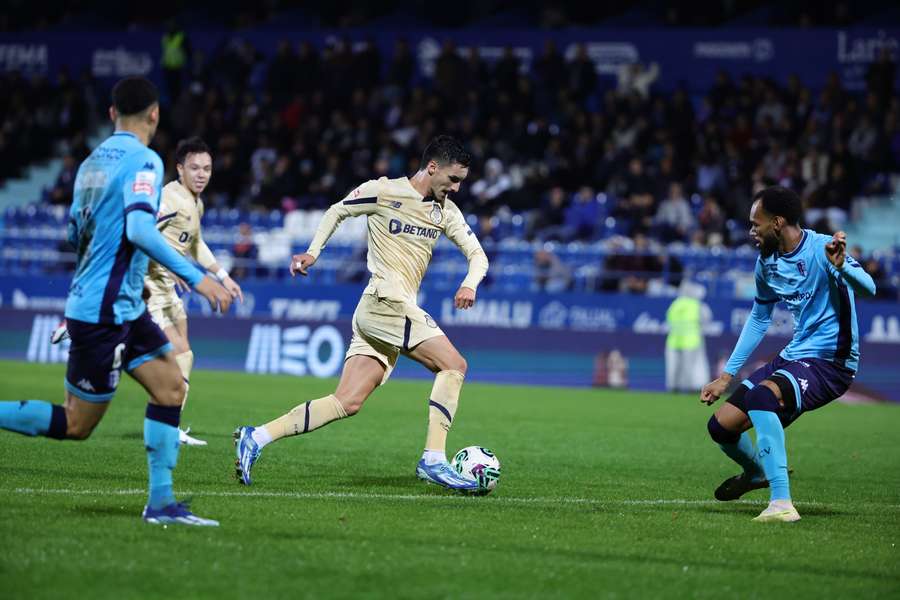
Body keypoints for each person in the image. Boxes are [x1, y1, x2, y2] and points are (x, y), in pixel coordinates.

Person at [0, 77, 232, 525]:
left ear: (111, 114)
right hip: (104, 312)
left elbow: (74, 233)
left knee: (170, 387)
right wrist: (198, 278)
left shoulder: (89, 165)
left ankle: (161, 504)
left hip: (123, 306)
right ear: (155, 114)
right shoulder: (145, 160)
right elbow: (140, 230)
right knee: (76, 424)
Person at [234, 136, 489, 492]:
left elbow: (478, 256)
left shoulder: (445, 211)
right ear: (433, 168)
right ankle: (433, 459)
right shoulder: (384, 192)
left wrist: (470, 284)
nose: (457, 188)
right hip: (385, 302)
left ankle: (256, 437)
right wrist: (312, 253)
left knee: (347, 401)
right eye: (453, 179)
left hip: (380, 312)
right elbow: (337, 210)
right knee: (454, 365)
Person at [700, 186, 876, 523]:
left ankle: (782, 503)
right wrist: (726, 376)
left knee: (762, 400)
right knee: (721, 427)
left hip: (831, 363)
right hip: (796, 355)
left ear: (778, 222)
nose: (751, 230)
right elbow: (759, 318)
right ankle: (755, 474)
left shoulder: (823, 249)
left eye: (756, 223)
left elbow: (868, 288)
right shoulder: (766, 261)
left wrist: (842, 267)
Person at [144, 137, 243, 446]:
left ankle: (168, 423)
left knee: (184, 354)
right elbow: (141, 234)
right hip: (147, 286)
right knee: (178, 353)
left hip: (169, 288)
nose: (201, 174)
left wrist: (223, 276)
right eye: (195, 168)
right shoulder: (169, 199)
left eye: (207, 168)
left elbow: (195, 245)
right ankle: (90, 329)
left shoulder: (195, 202)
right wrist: (173, 267)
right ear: (179, 169)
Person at [665, 281, 711, 392]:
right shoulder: (698, 305)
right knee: (691, 367)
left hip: (674, 340)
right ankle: (690, 388)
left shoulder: (675, 304)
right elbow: (706, 320)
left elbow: (668, 319)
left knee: (673, 367)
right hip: (691, 340)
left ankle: (673, 388)